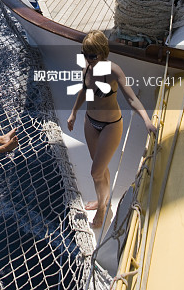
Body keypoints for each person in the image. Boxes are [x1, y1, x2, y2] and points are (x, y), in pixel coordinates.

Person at [67, 31, 157, 229]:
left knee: (95, 172)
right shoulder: (87, 68)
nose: (88, 59)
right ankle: (103, 198)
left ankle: (102, 207)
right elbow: (84, 90)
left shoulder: (114, 71)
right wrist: (74, 113)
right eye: (84, 54)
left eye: (92, 55)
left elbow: (131, 98)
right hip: (91, 123)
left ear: (102, 53)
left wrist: (146, 121)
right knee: (99, 168)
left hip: (111, 125)